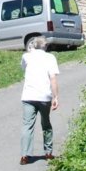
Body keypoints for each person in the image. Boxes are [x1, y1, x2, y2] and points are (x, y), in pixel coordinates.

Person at [19, 35, 59, 164]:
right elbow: (52, 78)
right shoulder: (50, 58)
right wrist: (55, 96)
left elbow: (23, 68)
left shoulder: (26, 56)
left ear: (33, 45)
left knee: (27, 125)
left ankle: (25, 155)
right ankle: (48, 152)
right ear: (45, 46)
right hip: (44, 96)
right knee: (46, 124)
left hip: (28, 95)